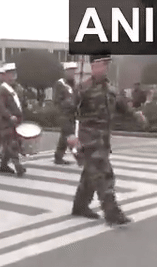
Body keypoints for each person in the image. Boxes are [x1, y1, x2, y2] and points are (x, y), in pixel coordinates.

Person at [68, 54, 148, 226]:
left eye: (107, 64)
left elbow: (123, 107)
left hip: (103, 140)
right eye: (103, 64)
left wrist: (136, 116)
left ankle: (80, 206)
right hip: (89, 141)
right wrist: (70, 135)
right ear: (94, 66)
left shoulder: (111, 89)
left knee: (91, 174)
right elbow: (68, 112)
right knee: (105, 175)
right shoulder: (83, 88)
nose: (105, 68)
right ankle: (112, 213)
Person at [0, 63, 25, 176]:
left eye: (14, 74)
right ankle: (18, 167)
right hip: (5, 122)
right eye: (11, 74)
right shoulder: (1, 89)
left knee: (10, 144)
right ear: (5, 75)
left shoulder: (12, 88)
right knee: (12, 144)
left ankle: (3, 166)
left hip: (14, 121)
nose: (13, 77)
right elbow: (1, 106)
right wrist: (9, 116)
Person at [53, 62, 78, 165]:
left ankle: (58, 157)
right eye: (70, 71)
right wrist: (67, 103)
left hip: (72, 114)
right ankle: (79, 156)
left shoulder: (74, 85)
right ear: (65, 72)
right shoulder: (60, 84)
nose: (72, 73)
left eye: (73, 71)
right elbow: (56, 100)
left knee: (64, 136)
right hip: (63, 114)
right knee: (69, 135)